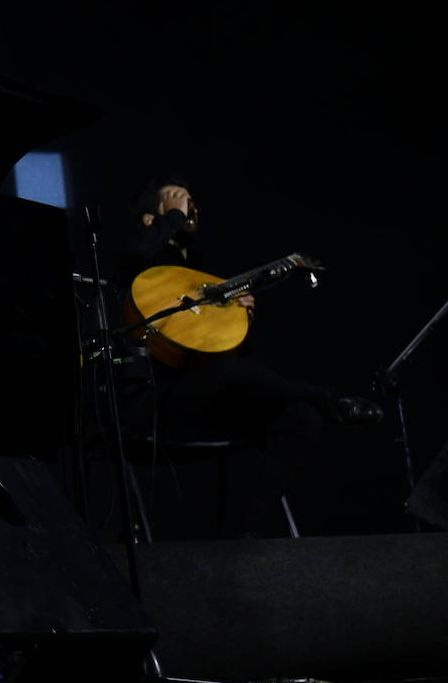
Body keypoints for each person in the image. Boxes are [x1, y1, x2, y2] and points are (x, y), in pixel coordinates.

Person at [117, 173, 382, 537]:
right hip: (157, 402)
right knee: (232, 374)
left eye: (191, 203)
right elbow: (132, 257)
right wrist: (171, 218)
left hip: (207, 396)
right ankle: (328, 397)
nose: (189, 207)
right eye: (177, 198)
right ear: (151, 219)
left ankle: (242, 535)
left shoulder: (203, 277)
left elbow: (218, 355)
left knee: (300, 419)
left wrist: (236, 320)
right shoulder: (140, 265)